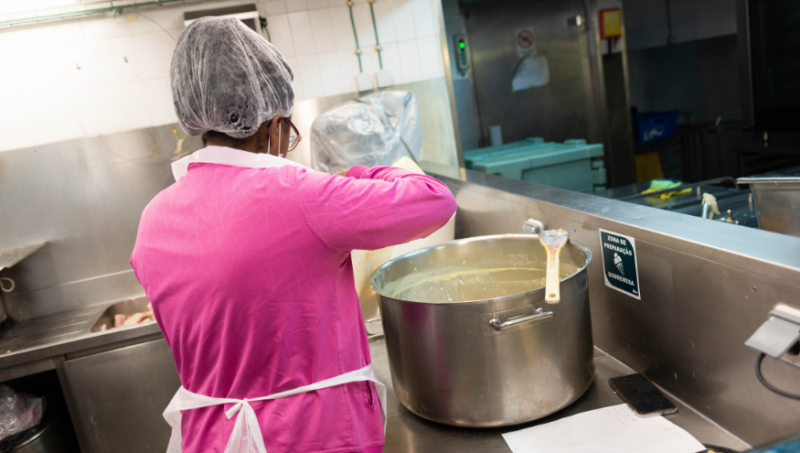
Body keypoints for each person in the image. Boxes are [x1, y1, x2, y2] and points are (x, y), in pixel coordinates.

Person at [130, 16, 456, 453]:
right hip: (312, 435)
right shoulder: (302, 195)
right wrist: (355, 174)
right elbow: (434, 200)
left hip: (211, 438)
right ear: (273, 121)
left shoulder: (152, 219)